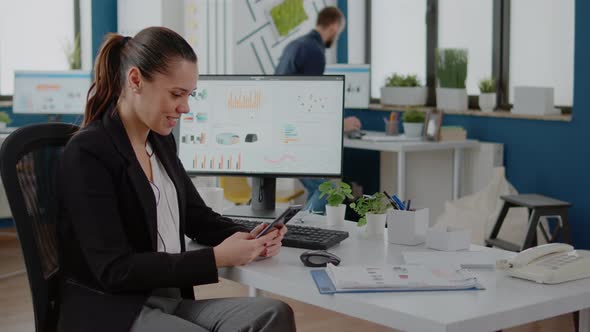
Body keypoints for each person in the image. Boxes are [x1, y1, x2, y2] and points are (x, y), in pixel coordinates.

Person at [57, 27, 296, 332]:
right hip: (113, 308)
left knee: (273, 313)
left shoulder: (159, 141)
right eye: (176, 94)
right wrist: (216, 258)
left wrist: (252, 235)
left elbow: (197, 217)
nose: (185, 108)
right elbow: (114, 270)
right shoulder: (88, 153)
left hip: (165, 298)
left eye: (189, 95)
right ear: (135, 81)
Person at [275, 6, 361, 213]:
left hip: (282, 132)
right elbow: (309, 105)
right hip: (295, 136)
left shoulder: (295, 45)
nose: (336, 36)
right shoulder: (315, 51)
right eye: (338, 32)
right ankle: (300, 229)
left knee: (325, 189)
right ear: (333, 27)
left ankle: (301, 227)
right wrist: (341, 124)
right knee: (330, 190)